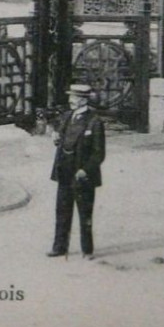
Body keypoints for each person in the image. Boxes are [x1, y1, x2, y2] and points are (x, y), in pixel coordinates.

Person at [48, 83, 106, 258]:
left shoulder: (94, 122)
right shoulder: (67, 116)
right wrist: (56, 137)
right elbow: (62, 137)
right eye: (70, 97)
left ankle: (87, 250)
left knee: (84, 213)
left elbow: (99, 153)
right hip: (65, 170)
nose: (70, 101)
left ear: (83, 100)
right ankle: (59, 247)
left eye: (74, 98)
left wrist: (86, 170)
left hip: (82, 174)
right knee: (62, 211)